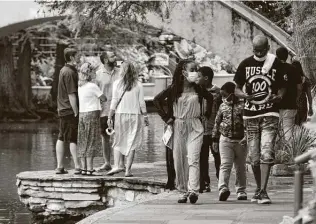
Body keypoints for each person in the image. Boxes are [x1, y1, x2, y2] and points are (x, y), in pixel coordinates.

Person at [234, 35, 286, 204]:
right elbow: (236, 89)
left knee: (266, 151)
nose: (258, 53)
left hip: (270, 113)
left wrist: (278, 97)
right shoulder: (245, 64)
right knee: (254, 157)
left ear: (268, 48)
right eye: (255, 50)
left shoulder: (276, 63)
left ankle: (263, 191)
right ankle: (258, 189)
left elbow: (283, 88)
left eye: (261, 50)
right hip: (250, 115)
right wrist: (244, 95)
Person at [153, 59, 213, 204]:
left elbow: (210, 97)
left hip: (195, 126)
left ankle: (193, 190)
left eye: (196, 69)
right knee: (179, 161)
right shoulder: (174, 89)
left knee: (193, 158)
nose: (196, 72)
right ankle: (182, 191)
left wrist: (206, 114)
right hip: (178, 126)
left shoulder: (198, 89)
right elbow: (157, 100)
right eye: (192, 69)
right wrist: (166, 118)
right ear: (184, 72)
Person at [107, 62, 149, 177]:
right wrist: (145, 116)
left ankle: (117, 166)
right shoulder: (138, 84)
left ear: (122, 71)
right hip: (134, 116)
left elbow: (114, 101)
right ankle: (127, 171)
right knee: (132, 143)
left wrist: (110, 116)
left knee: (118, 140)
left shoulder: (116, 84)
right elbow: (142, 103)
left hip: (120, 115)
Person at [212, 82, 247, 201]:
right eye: (221, 95)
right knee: (225, 165)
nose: (223, 97)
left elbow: (247, 123)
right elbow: (217, 123)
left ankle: (241, 190)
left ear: (232, 94)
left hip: (241, 140)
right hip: (225, 139)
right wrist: (215, 139)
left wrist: (247, 137)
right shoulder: (222, 106)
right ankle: (223, 189)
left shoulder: (243, 106)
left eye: (225, 95)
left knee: (240, 167)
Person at [55, 48, 81, 174]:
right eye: (78, 55)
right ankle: (77, 166)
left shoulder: (63, 70)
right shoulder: (69, 72)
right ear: (72, 57)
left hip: (62, 108)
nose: (80, 57)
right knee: (73, 138)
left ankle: (60, 166)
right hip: (69, 109)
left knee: (61, 136)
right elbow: (71, 94)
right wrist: (76, 110)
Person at [77, 62, 106, 175]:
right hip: (92, 114)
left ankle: (84, 168)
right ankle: (90, 168)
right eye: (94, 71)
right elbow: (104, 98)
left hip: (82, 114)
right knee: (91, 141)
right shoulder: (93, 86)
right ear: (90, 73)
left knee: (83, 141)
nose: (95, 74)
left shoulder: (80, 86)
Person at [95, 51, 121, 172]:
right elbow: (95, 93)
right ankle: (107, 163)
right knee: (105, 137)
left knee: (119, 136)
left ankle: (120, 164)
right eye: (112, 56)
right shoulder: (98, 74)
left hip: (119, 110)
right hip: (104, 111)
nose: (115, 58)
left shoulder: (120, 72)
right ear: (105, 60)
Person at [197, 66, 222, 193]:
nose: (197, 78)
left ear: (206, 78)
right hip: (200, 130)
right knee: (202, 158)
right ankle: (204, 183)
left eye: (199, 76)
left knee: (218, 157)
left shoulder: (218, 92)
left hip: (214, 130)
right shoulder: (197, 92)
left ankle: (221, 182)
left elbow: (222, 112)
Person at [275, 47, 302, 141]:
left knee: (275, 132)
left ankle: (276, 153)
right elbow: (299, 87)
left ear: (277, 56)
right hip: (290, 104)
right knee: (288, 130)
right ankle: (288, 154)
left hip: (275, 106)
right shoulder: (293, 69)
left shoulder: (273, 69)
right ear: (287, 57)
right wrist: (297, 99)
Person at [292, 59, 314, 125]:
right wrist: (310, 107)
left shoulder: (290, 79)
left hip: (292, 104)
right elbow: (309, 95)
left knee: (292, 126)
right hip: (303, 104)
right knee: (302, 125)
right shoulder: (306, 79)